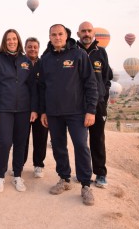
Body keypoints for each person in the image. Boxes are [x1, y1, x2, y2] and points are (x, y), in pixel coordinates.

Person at [34, 24, 98, 206]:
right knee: (58, 147)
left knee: (80, 146)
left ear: (67, 35)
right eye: (53, 34)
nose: (57, 37)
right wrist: (44, 111)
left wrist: (91, 110)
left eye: (60, 34)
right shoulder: (45, 59)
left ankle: (86, 185)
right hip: (54, 113)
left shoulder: (79, 55)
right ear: (50, 36)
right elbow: (42, 88)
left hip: (77, 112)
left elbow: (90, 84)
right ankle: (64, 178)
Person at [0, 29, 38, 193]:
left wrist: (34, 109)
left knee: (21, 143)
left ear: (18, 40)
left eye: (14, 39)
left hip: (23, 109)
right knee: (5, 142)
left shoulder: (25, 61)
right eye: (9, 39)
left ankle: (17, 176)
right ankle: (0, 176)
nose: (12, 41)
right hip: (4, 110)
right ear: (4, 41)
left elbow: (33, 88)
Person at [76, 21, 112, 188]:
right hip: (78, 104)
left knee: (97, 139)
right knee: (80, 141)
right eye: (83, 31)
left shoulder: (101, 53)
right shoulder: (74, 52)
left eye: (89, 31)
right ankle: (83, 172)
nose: (86, 33)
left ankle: (100, 174)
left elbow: (107, 78)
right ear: (78, 34)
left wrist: (102, 95)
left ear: (93, 33)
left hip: (98, 104)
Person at [23, 37, 48, 179]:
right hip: (24, 108)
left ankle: (38, 164)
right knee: (22, 138)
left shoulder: (43, 63)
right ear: (25, 48)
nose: (32, 49)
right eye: (29, 47)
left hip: (41, 107)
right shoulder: (20, 63)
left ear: (39, 48)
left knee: (41, 137)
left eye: (35, 47)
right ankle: (19, 164)